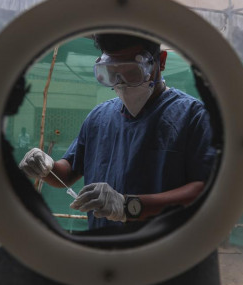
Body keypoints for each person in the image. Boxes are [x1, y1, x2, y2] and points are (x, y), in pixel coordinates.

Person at [19, 34, 215, 230]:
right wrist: (46, 167)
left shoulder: (193, 117)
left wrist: (129, 206)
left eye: (132, 71)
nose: (121, 82)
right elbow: (68, 173)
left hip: (166, 251)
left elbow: (204, 190)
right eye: (112, 72)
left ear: (160, 62)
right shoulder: (98, 118)